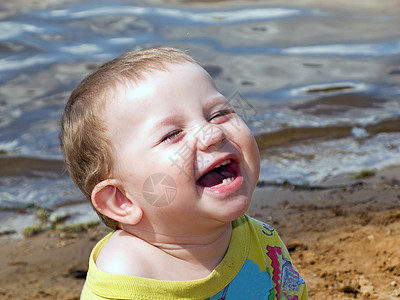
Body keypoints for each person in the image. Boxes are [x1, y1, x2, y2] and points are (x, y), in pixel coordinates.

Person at [60, 46, 308, 299]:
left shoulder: (263, 243)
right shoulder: (126, 284)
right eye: (172, 134)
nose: (213, 134)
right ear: (121, 200)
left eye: (219, 114)